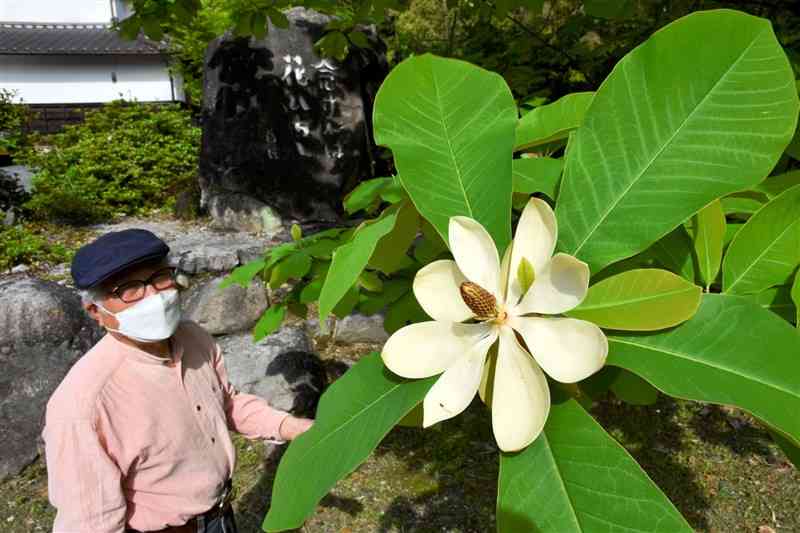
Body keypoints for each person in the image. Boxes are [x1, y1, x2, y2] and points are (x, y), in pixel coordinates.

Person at [41, 229, 314, 533]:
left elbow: (226, 401)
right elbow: (90, 522)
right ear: (96, 311)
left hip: (220, 515)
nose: (155, 296)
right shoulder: (84, 405)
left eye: (160, 277)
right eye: (130, 289)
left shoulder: (193, 337)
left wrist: (291, 427)